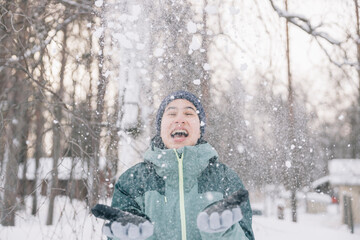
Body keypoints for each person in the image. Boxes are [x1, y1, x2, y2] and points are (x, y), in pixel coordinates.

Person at [102, 90, 254, 240]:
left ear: (200, 130)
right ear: (160, 128)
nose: (180, 120)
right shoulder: (132, 181)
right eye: (171, 113)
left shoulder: (226, 179)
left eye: (189, 114)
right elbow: (119, 233)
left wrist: (224, 233)